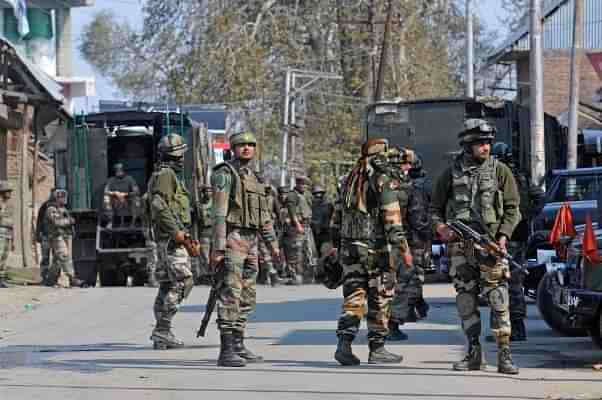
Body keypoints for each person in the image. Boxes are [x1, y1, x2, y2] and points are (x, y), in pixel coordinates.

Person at [431, 119, 521, 375]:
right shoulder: (450, 173)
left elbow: (514, 209)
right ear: (468, 145)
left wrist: (503, 236)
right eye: (481, 143)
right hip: (461, 249)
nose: (486, 147)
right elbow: (434, 209)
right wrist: (442, 229)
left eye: (489, 143)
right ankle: (473, 354)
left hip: (491, 246)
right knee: (466, 302)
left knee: (498, 300)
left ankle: (504, 355)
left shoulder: (500, 171)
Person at [210, 131, 280, 367]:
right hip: (233, 237)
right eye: (242, 145)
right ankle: (226, 349)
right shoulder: (225, 174)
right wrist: (219, 247)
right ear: (233, 148)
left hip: (252, 241)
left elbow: (264, 216)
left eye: (251, 144)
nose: (247, 148)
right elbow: (219, 212)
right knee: (231, 292)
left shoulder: (255, 177)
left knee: (248, 295)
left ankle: (238, 345)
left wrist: (273, 245)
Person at [334, 138, 406, 366]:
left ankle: (344, 344)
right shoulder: (381, 178)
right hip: (375, 250)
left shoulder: (350, 179)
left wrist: (332, 245)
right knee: (381, 296)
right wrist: (401, 246)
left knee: (354, 297)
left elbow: (336, 217)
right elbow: (391, 213)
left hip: (350, 248)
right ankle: (377, 348)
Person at [491, 142, 544, 341]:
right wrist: (527, 216)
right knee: (514, 282)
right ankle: (517, 327)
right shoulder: (521, 176)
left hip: (502, 237)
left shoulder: (498, 177)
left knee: (500, 282)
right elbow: (539, 197)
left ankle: (506, 329)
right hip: (518, 236)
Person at [147, 133, 194, 349]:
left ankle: (162, 333)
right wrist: (176, 232)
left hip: (170, 238)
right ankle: (163, 330)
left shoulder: (164, 174)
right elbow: (158, 204)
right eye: (179, 155)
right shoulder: (166, 175)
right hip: (171, 240)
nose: (182, 159)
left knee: (167, 284)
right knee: (183, 282)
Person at [386, 147, 430, 341]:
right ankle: (392, 324)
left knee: (387, 284)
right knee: (408, 282)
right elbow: (418, 219)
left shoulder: (383, 186)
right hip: (407, 242)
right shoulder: (411, 189)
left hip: (384, 242)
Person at [46, 189, 83, 288]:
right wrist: (69, 221)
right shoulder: (51, 209)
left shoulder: (63, 209)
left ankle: (50, 279)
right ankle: (72, 278)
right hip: (57, 236)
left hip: (65, 236)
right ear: (56, 199)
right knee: (64, 256)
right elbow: (57, 222)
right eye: (62, 197)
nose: (64, 199)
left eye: (65, 197)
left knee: (57, 261)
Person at [284, 176, 314, 284]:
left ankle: (306, 276)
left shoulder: (306, 195)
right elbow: (292, 212)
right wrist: (298, 225)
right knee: (295, 252)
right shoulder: (292, 195)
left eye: (306, 184)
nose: (304, 186)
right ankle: (294, 276)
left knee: (308, 252)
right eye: (302, 184)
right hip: (296, 227)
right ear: (297, 184)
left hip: (306, 226)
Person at [103, 163, 142, 228]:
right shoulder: (111, 180)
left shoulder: (129, 179)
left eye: (120, 171)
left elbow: (137, 191)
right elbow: (106, 191)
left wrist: (126, 194)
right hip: (116, 201)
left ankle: (133, 222)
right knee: (106, 198)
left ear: (123, 171)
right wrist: (115, 193)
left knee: (137, 199)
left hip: (127, 200)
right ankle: (110, 221)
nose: (119, 173)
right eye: (117, 171)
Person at [36, 189, 55, 286]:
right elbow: (39, 221)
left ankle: (54, 278)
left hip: (56, 237)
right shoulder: (45, 206)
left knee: (57, 258)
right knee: (45, 258)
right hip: (45, 236)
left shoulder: (60, 206)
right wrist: (37, 234)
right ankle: (44, 277)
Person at [196, 185, 214, 284]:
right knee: (205, 257)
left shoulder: (216, 203)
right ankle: (207, 275)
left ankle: (214, 275)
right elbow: (196, 223)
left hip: (214, 233)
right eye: (206, 191)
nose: (208, 193)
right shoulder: (199, 205)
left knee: (214, 256)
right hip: (204, 234)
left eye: (210, 190)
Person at [311, 185, 334, 258]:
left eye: (320, 193)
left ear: (323, 194)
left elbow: (331, 218)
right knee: (314, 256)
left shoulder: (329, 205)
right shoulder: (311, 205)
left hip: (325, 234)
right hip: (314, 234)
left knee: (326, 256)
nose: (318, 195)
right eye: (316, 194)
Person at [0, 181, 14, 288]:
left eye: (10, 191)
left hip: (8, 233)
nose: (9, 194)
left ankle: (1, 279)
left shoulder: (9, 204)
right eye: (7, 191)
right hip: (1, 232)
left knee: (4, 257)